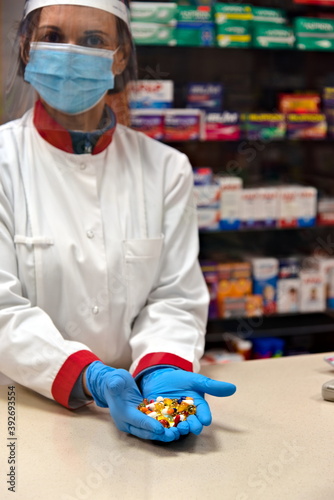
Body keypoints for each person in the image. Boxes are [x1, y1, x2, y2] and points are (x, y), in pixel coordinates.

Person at [0, 0, 236, 443]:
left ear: (121, 55)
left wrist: (164, 367)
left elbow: (175, 296)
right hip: (20, 414)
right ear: (26, 47)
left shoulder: (166, 168)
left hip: (136, 411)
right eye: (52, 37)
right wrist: (88, 375)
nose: (70, 54)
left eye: (92, 40)